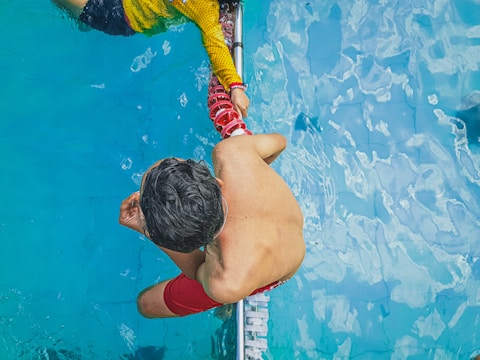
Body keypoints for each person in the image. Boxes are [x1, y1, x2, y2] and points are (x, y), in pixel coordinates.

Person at [118, 133, 305, 317]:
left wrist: (145, 229)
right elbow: (281, 141)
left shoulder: (227, 281)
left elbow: (198, 268)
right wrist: (254, 169)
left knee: (146, 304)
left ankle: (229, 304)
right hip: (288, 225)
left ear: (199, 247)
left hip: (260, 271)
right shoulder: (233, 152)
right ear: (216, 183)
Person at [53, 0, 249, 117]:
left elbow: (216, 45)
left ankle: (79, 19)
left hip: (117, 13)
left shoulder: (203, 7)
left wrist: (235, 86)